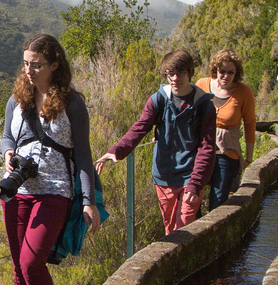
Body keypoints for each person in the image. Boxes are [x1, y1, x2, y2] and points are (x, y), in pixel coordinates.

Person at [0, 33, 99, 285]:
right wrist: (9, 153)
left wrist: (88, 201)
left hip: (55, 191)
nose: (29, 70)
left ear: (55, 65)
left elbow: (83, 156)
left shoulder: (72, 104)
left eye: (37, 64)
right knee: (18, 264)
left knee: (31, 261)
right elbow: (5, 138)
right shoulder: (17, 100)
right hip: (17, 190)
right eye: (26, 63)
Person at [93, 48, 215, 234]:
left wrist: (196, 183)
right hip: (164, 175)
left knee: (185, 225)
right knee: (170, 229)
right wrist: (116, 150)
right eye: (170, 73)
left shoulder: (204, 105)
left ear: (190, 72)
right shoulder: (159, 100)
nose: (175, 78)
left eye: (180, 73)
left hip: (190, 174)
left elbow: (207, 147)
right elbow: (140, 127)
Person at [197, 48, 256, 210]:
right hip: (200, 152)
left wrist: (248, 158)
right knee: (192, 199)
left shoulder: (244, 92)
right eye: (222, 71)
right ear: (215, 70)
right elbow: (187, 113)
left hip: (226, 154)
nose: (225, 76)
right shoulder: (202, 85)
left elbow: (250, 124)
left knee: (218, 202)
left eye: (231, 72)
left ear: (236, 73)